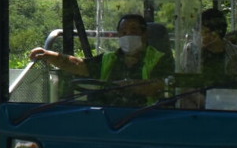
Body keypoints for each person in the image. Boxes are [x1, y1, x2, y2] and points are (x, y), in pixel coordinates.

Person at [29, 13, 175, 102]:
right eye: (123, 32)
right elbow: (79, 65)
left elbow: (159, 86)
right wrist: (49, 55)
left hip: (145, 116)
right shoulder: (109, 59)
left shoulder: (160, 58)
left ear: (144, 34)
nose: (127, 35)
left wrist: (126, 86)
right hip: (108, 115)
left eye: (133, 30)